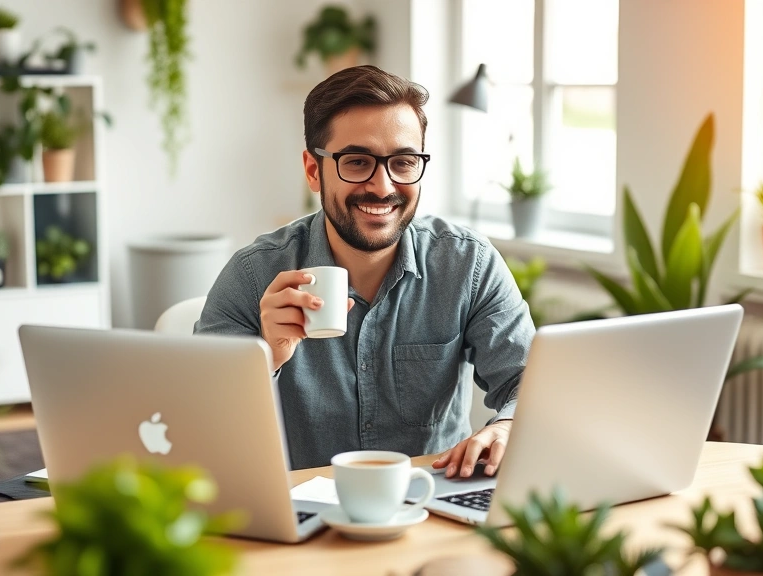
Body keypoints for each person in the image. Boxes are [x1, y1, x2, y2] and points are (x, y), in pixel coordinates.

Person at [195, 65, 535, 476]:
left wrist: (507, 425)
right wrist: (268, 357)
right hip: (301, 513)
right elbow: (201, 423)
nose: (383, 186)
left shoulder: (467, 265)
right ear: (312, 170)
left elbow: (530, 383)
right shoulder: (252, 275)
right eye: (357, 162)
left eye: (404, 162)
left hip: (431, 505)